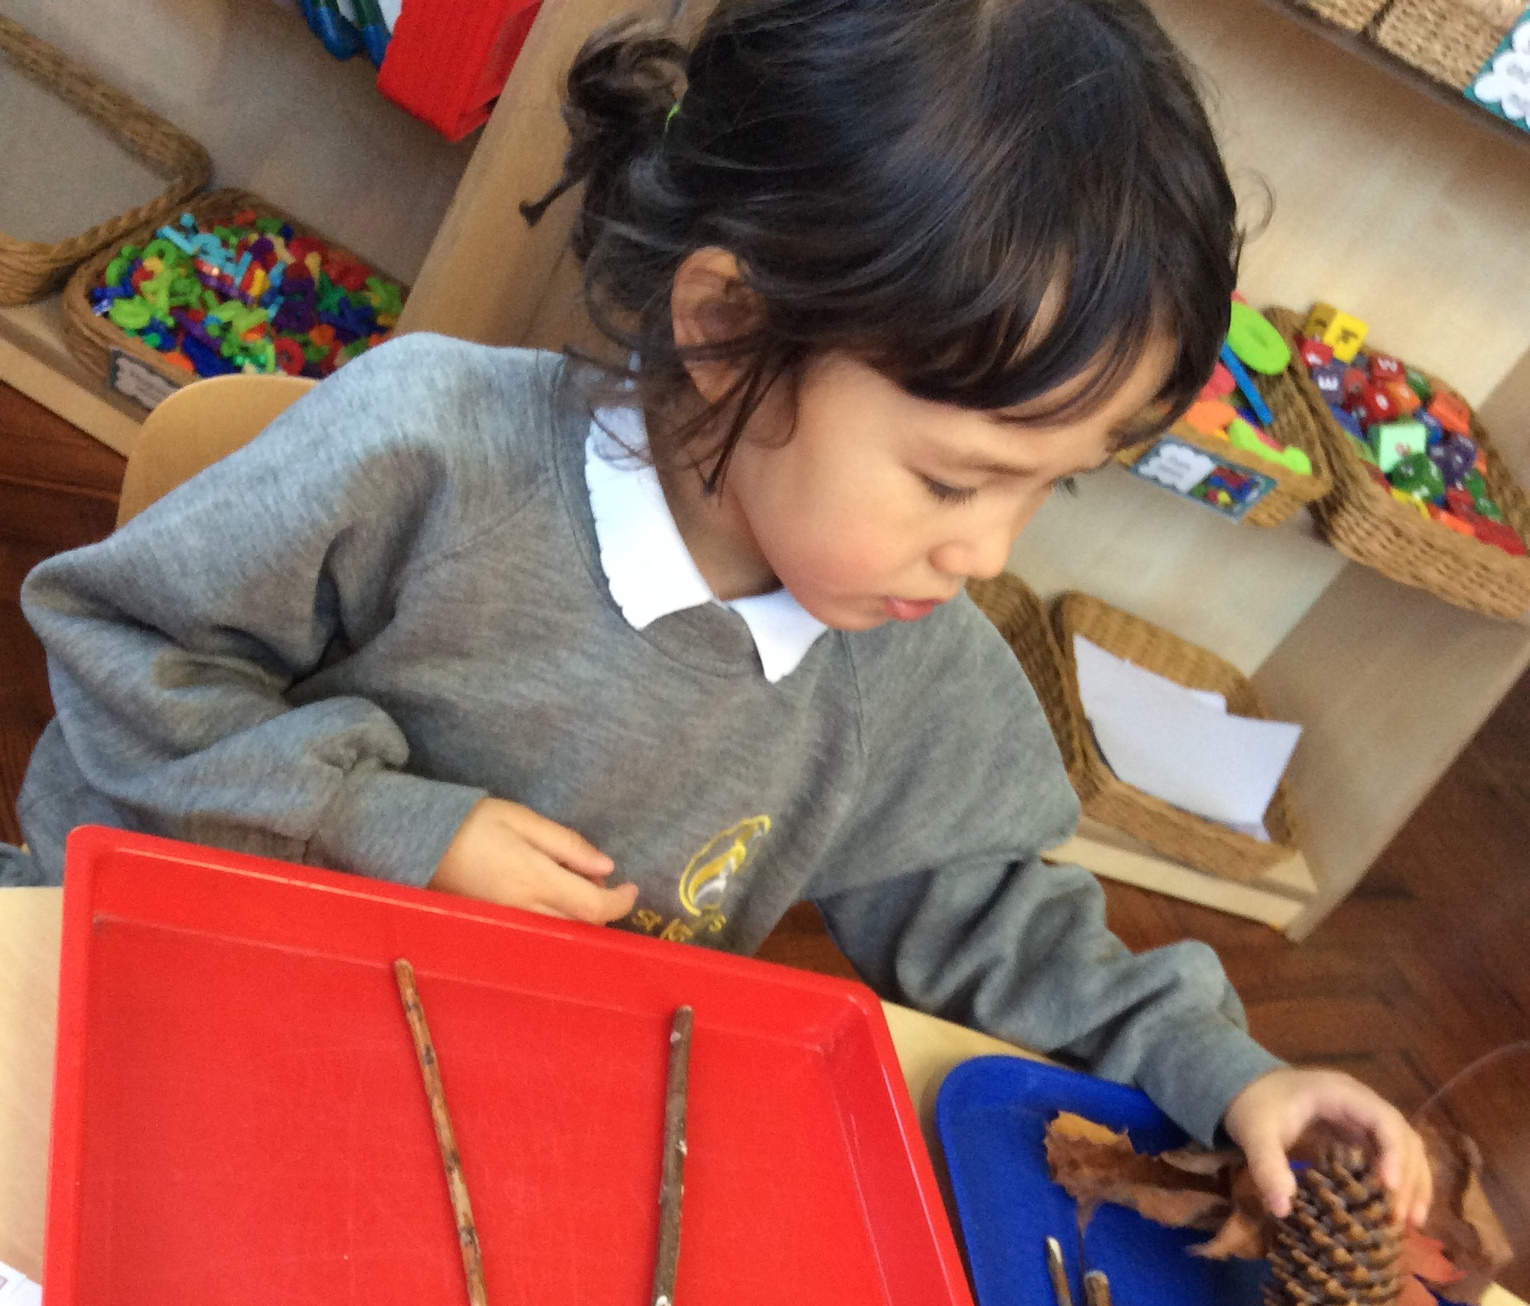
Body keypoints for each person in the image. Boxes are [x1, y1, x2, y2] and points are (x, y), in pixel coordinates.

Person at [3, 0, 1427, 1220]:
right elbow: (128, 650)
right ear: (728, 324)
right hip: (150, 1002)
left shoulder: (913, 669)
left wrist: (1225, 1073)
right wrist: (386, 824)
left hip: (475, 1132)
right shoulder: (431, 449)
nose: (987, 552)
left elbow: (1003, 926)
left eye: (1052, 488)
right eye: (951, 480)